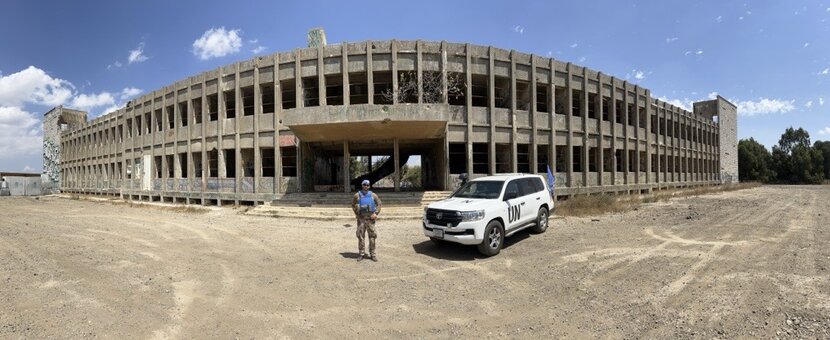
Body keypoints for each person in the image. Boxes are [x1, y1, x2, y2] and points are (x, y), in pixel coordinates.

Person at [352, 179, 382, 262]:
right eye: (364, 184)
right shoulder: (357, 195)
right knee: (361, 237)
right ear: (362, 185)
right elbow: (353, 205)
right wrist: (357, 214)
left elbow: (379, 204)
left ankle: (372, 253)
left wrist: (376, 213)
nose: (366, 186)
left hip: (370, 220)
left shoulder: (373, 195)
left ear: (369, 186)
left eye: (367, 185)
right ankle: (361, 253)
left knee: (372, 236)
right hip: (361, 219)